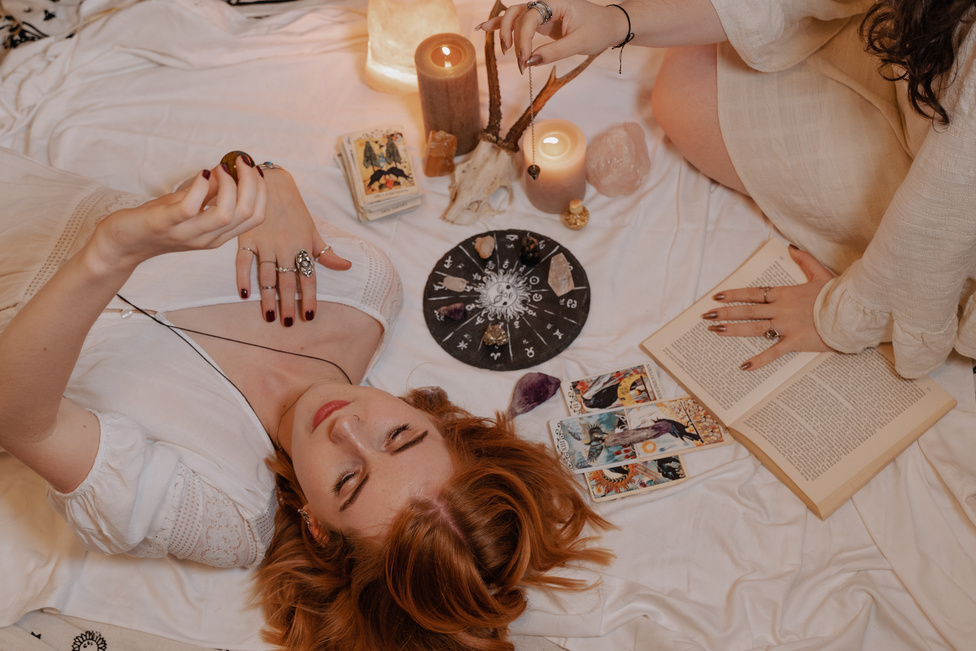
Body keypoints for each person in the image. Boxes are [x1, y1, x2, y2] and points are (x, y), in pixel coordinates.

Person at [0, 148, 611, 650]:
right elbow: (201, 201)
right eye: (399, 436)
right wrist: (265, 178)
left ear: (318, 528)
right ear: (435, 417)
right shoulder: (363, 283)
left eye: (348, 481)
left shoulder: (224, 513)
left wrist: (112, 251)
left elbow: (22, 422)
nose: (346, 429)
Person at [482, 0, 976, 379]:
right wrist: (616, 20)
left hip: (956, 193)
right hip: (931, 96)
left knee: (689, 97)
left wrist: (846, 318)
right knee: (689, 78)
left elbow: (948, 199)